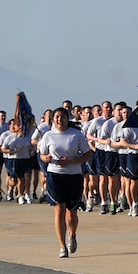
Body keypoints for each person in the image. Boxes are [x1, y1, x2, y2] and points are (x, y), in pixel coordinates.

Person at [36, 108, 90, 258]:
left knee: (71, 214)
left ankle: (72, 235)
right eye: (57, 117)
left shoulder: (76, 135)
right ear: (53, 120)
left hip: (73, 176)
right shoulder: (48, 135)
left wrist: (72, 161)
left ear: (68, 119)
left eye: (62, 117)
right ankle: (62, 246)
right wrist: (45, 158)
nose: (59, 120)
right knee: (59, 210)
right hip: (55, 175)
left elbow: (87, 154)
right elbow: (42, 154)